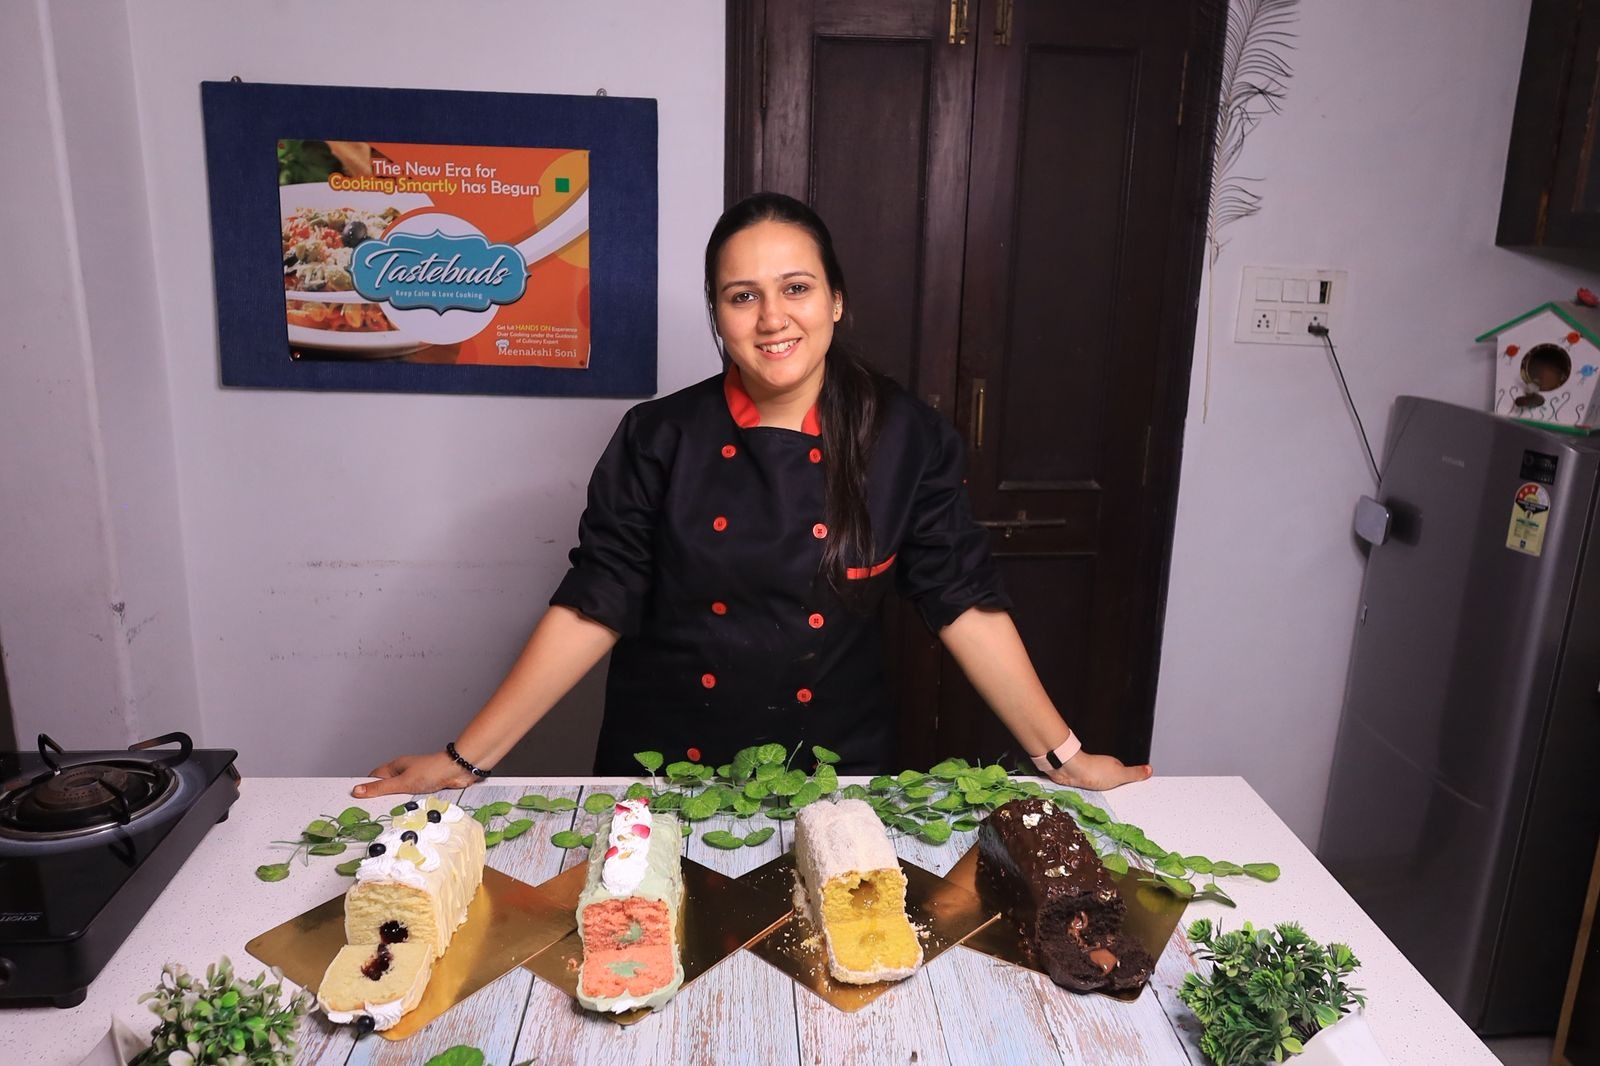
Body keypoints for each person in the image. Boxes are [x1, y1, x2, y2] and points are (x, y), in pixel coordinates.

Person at [353, 193, 1151, 800]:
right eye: (743, 296)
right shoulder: (658, 437)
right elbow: (596, 601)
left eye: (796, 287)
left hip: (834, 772)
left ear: (836, 300)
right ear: (718, 315)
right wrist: (465, 760)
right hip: (665, 768)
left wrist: (1064, 757)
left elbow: (964, 602)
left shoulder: (906, 437)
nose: (773, 319)